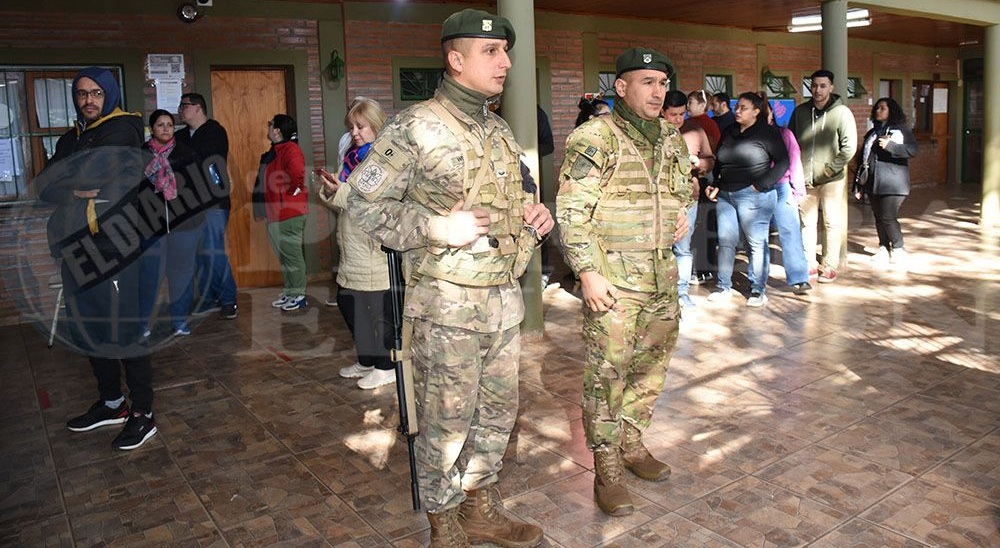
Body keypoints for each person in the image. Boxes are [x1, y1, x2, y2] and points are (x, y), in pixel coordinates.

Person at [344, 9, 552, 546]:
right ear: (456, 60)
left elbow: (512, 197)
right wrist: (435, 226)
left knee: (497, 413)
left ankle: (481, 506)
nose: (506, 62)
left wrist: (533, 215)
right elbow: (363, 205)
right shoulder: (413, 127)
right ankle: (444, 521)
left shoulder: (498, 128)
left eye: (506, 52)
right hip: (445, 307)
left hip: (502, 300)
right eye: (491, 52)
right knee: (446, 421)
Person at [557, 47, 692, 517]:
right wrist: (587, 272)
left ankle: (632, 442)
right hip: (614, 283)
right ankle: (607, 467)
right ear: (621, 87)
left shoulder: (671, 138)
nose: (658, 92)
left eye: (662, 83)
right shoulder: (595, 137)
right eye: (647, 82)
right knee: (607, 375)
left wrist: (681, 214)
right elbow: (572, 211)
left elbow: (681, 190)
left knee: (651, 368)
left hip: (661, 278)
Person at [36, 67, 157, 450]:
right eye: (82, 93)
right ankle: (112, 403)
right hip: (74, 247)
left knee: (124, 332)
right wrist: (76, 188)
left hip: (113, 248)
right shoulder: (73, 137)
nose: (88, 100)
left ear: (110, 95)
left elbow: (88, 175)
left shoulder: (122, 130)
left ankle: (143, 413)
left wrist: (73, 181)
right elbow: (44, 186)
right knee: (89, 330)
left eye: (96, 93)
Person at [316, 97, 396, 390]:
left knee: (378, 312)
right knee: (351, 304)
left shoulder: (384, 158)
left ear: (376, 125)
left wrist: (339, 191)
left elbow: (364, 200)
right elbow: (345, 199)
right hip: (352, 245)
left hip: (373, 247)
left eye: (360, 126)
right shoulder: (353, 157)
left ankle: (386, 367)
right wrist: (331, 189)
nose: (354, 132)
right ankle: (367, 359)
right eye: (351, 127)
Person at [706, 91, 789, 307]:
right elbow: (720, 162)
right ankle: (723, 286)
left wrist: (761, 185)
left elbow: (783, 162)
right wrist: (716, 183)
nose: (738, 111)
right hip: (726, 194)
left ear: (756, 111)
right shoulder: (730, 130)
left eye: (743, 108)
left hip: (754, 195)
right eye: (737, 107)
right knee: (726, 241)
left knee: (755, 243)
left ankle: (757, 289)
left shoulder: (767, 133)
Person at [138, 110, 206, 338]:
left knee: (182, 275)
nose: (166, 129)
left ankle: (180, 321)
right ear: (152, 129)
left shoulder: (187, 154)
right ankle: (144, 324)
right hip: (151, 227)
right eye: (160, 125)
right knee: (150, 276)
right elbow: (132, 191)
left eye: (169, 125)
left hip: (183, 227)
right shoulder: (140, 156)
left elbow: (201, 188)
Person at [789, 69, 858, 283]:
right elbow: (791, 143)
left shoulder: (842, 113)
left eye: (822, 86)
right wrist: (795, 171)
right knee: (807, 223)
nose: (817, 90)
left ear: (831, 87)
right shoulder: (800, 112)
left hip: (831, 179)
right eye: (814, 85)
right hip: (805, 179)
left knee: (831, 222)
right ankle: (809, 262)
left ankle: (829, 265)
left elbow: (849, 147)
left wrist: (830, 169)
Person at [176, 92, 239, 318]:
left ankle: (228, 299)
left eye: (184, 105)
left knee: (212, 252)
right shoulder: (180, 135)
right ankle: (207, 299)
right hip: (188, 206)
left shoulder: (214, 131)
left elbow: (204, 160)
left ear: (198, 108)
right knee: (198, 254)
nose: (180, 110)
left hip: (213, 204)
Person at [662, 90, 713, 309]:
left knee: (683, 247)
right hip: (660, 200)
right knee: (660, 248)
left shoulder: (695, 130)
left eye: (681, 114)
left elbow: (710, 159)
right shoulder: (653, 132)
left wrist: (699, 164)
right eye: (672, 114)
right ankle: (662, 294)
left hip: (688, 198)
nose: (677, 119)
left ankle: (682, 292)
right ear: (662, 112)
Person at [252, 114, 309, 311]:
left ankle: (299, 295)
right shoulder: (275, 150)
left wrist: (290, 193)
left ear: (277, 130)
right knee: (284, 256)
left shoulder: (290, 149)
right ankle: (291, 292)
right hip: (275, 213)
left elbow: (297, 175)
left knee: (292, 256)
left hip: (289, 213)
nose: (268, 127)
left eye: (270, 124)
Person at [854, 97, 918, 269]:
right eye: (877, 108)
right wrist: (859, 185)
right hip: (873, 183)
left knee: (888, 217)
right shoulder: (872, 133)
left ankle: (898, 248)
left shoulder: (901, 130)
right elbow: (863, 159)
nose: (878, 110)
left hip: (893, 183)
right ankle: (883, 247)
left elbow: (912, 150)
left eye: (883, 108)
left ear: (892, 111)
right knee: (879, 217)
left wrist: (891, 146)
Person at [757, 95, 812, 294]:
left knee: (790, 231)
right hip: (757, 189)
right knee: (758, 236)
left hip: (782, 187)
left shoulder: (785, 134)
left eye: (766, 111)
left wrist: (798, 192)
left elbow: (795, 162)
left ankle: (799, 277)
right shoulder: (750, 136)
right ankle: (758, 280)